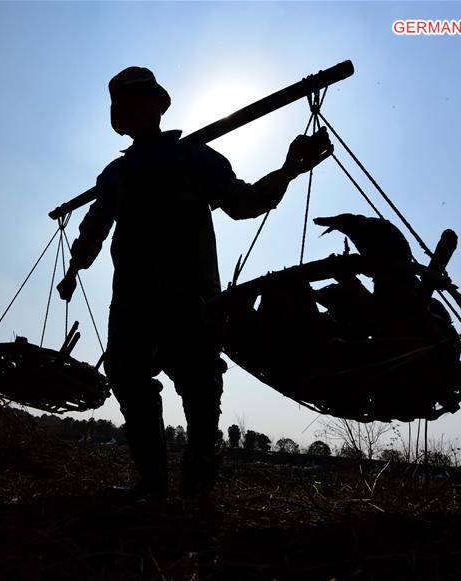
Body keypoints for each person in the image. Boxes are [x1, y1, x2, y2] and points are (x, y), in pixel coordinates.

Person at [57, 66, 333, 501]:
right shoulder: (115, 175)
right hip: (132, 299)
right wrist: (74, 269)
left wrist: (288, 171)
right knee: (128, 377)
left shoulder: (194, 158)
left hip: (192, 297)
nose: (136, 111)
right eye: (126, 106)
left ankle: (198, 485)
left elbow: (243, 203)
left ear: (158, 107)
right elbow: (93, 230)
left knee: (200, 384)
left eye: (142, 101)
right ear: (120, 119)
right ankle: (152, 483)